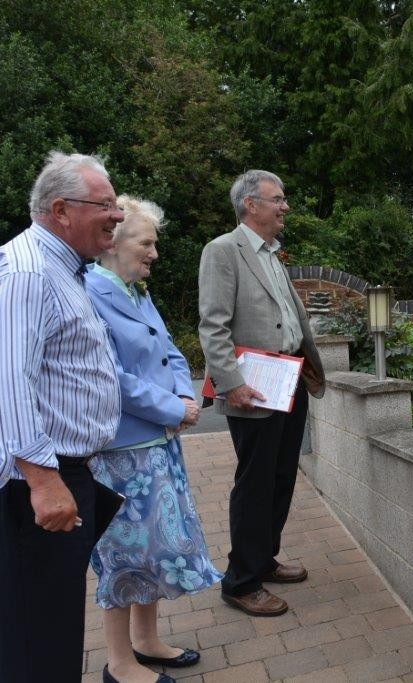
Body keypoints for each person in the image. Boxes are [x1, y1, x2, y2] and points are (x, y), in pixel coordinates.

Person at [86, 196, 224, 683]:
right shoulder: (91, 292)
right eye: (147, 243)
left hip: (158, 442)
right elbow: (112, 378)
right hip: (122, 451)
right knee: (124, 555)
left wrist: (185, 399)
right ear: (114, 243)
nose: (155, 253)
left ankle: (146, 641)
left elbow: (170, 354)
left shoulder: (135, 292)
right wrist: (173, 408)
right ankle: (119, 663)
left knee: (154, 549)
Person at [0, 151, 124, 682]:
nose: (118, 216)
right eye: (107, 205)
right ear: (60, 210)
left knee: (49, 622)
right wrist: (44, 480)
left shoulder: (65, 267)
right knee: (39, 636)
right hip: (43, 481)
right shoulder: (28, 271)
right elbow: (10, 378)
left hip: (67, 472)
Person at [198, 170, 325, 617]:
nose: (284, 206)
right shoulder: (222, 251)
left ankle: (264, 558)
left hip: (288, 380)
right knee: (254, 484)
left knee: (281, 477)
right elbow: (212, 325)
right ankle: (240, 581)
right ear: (251, 204)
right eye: (277, 199)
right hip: (253, 387)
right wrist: (231, 384)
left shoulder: (272, 254)